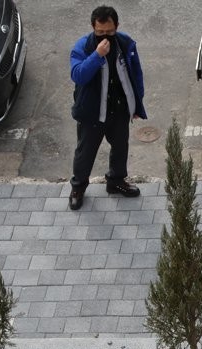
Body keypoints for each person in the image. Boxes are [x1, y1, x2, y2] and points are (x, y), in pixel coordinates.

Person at [68, 6, 146, 210]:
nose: (106, 36)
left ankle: (116, 181)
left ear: (117, 26)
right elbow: (78, 75)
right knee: (85, 153)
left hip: (118, 109)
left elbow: (136, 73)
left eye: (110, 32)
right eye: (100, 32)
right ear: (93, 28)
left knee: (121, 147)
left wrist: (136, 104)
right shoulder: (83, 46)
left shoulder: (125, 43)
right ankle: (78, 188)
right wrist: (96, 55)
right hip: (92, 112)